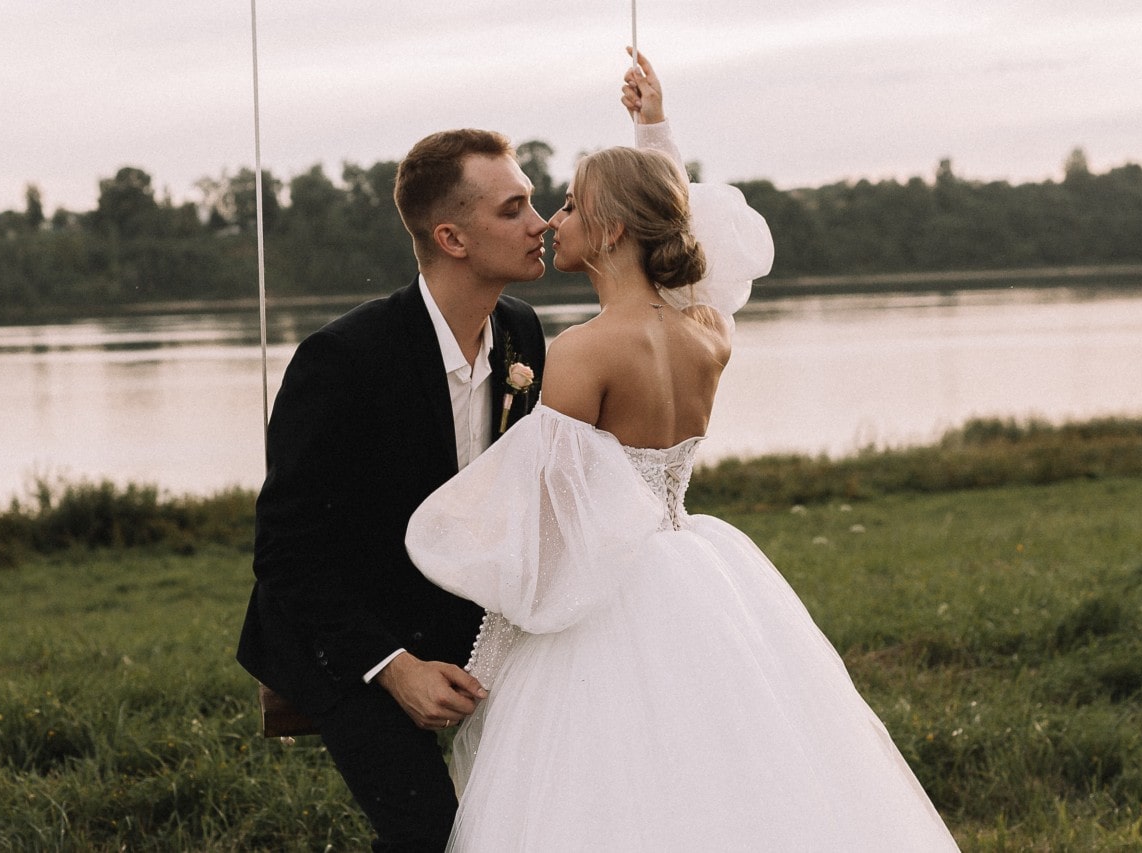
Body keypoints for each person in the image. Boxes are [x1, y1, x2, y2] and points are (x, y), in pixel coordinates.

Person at [406, 51, 960, 851]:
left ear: (612, 228)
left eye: (569, 205)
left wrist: (492, 651)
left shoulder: (586, 351)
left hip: (611, 595)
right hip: (697, 571)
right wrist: (652, 130)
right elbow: (691, 233)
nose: (552, 221)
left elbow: (551, 520)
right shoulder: (707, 329)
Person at [236, 125, 548, 851]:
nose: (541, 224)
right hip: (343, 636)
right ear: (452, 237)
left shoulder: (523, 335)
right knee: (433, 836)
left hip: (458, 620)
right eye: (514, 208)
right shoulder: (342, 360)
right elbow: (286, 553)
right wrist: (393, 667)